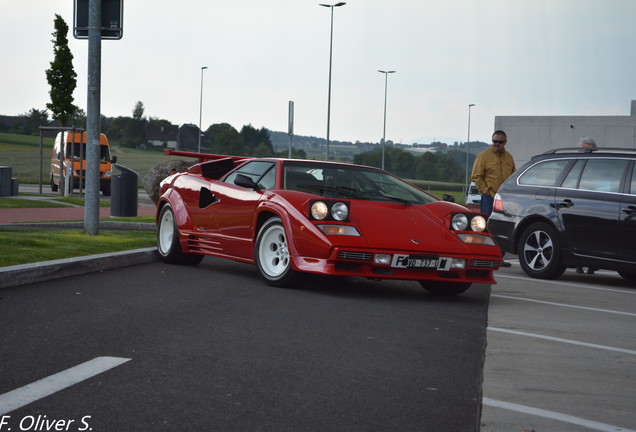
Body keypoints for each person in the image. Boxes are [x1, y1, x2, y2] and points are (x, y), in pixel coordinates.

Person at [471, 130, 516, 267]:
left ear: (505, 142)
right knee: (486, 227)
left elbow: (513, 176)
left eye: (500, 142)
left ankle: (499, 257)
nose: (497, 144)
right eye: (494, 141)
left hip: (504, 199)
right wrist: (485, 191)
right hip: (489, 197)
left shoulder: (509, 157)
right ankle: (484, 256)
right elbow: (476, 176)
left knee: (502, 227)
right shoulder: (483, 156)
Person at [576, 137, 598, 274]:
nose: (584, 152)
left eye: (587, 150)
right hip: (577, 205)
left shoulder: (597, 165)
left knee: (592, 235)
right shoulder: (577, 164)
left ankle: (592, 265)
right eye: (582, 149)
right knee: (579, 234)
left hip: (593, 206)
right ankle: (579, 264)